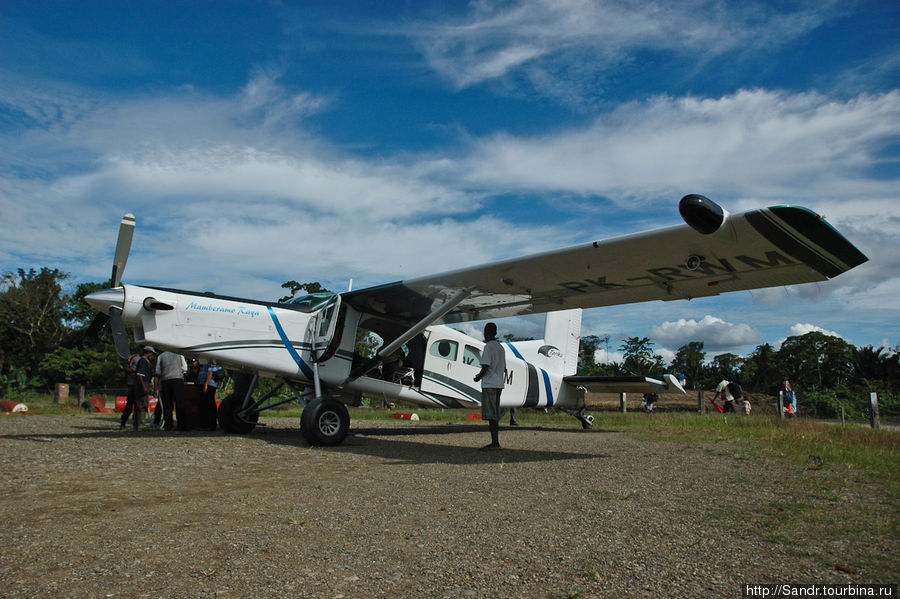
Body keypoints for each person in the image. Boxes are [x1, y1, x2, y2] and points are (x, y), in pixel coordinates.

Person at [474, 322, 506, 450]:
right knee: (495, 414)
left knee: (492, 415)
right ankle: (495, 441)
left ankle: (495, 443)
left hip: (490, 384)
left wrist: (478, 377)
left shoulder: (488, 347)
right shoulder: (500, 347)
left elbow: (485, 365)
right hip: (499, 384)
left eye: (485, 331)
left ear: (487, 332)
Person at [154, 350, 187, 431]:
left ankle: (169, 424)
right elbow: (184, 368)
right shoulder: (179, 354)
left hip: (166, 380)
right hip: (177, 379)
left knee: (167, 405)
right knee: (180, 403)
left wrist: (156, 387)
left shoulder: (160, 356)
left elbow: (157, 372)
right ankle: (181, 425)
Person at [132, 346, 156, 430]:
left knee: (141, 403)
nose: (152, 355)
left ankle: (137, 423)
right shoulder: (143, 361)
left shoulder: (144, 361)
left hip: (142, 384)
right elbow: (140, 375)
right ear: (148, 353)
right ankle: (140, 423)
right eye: (152, 353)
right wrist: (144, 386)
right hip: (142, 384)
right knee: (141, 404)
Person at [197, 360, 223, 430]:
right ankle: (205, 424)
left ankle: (211, 424)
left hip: (210, 383)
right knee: (204, 403)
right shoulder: (204, 360)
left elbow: (210, 371)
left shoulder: (211, 359)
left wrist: (206, 383)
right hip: (203, 382)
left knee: (209, 403)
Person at [120, 352, 142, 430]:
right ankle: (124, 421)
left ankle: (135, 423)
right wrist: (135, 371)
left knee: (136, 405)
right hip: (133, 384)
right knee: (131, 404)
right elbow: (127, 368)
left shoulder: (136, 358)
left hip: (134, 384)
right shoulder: (136, 359)